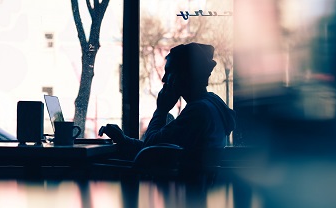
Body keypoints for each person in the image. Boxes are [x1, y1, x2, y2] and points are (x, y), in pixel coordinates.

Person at [99, 42, 236, 160]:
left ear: (185, 74)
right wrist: (124, 140)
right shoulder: (211, 103)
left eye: (169, 71)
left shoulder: (198, 111)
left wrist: (161, 110)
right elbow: (160, 145)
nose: (164, 79)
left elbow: (150, 150)